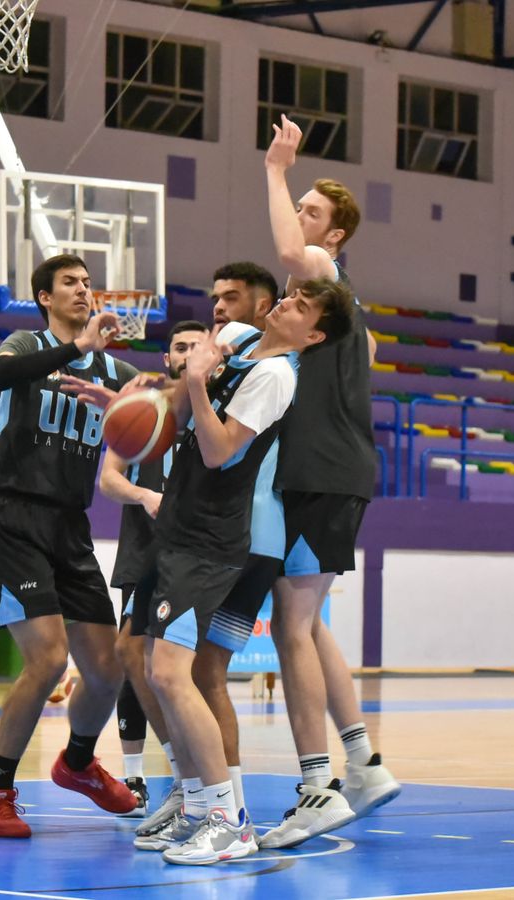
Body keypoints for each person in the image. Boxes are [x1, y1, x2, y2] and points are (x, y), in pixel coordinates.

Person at [135, 279, 355, 866]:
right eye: (291, 295)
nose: (287, 303)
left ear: (313, 335)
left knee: (172, 674)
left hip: (214, 534)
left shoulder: (278, 375)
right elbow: (180, 413)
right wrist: (119, 404)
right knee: (175, 674)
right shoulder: (241, 344)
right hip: (190, 525)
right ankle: (209, 806)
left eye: (302, 307)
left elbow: (218, 449)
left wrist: (196, 382)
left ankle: (225, 818)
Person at [259, 115, 400, 850]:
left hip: (324, 473)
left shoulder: (319, 268)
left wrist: (276, 170)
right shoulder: (334, 308)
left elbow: (288, 248)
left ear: (335, 237)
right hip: (334, 471)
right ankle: (364, 762)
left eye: (316, 213)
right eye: (302, 204)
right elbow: (368, 346)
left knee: (292, 626)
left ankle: (318, 785)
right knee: (308, 624)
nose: (303, 223)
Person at [0, 255, 141, 838]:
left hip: (71, 525)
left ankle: (77, 763)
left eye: (88, 284)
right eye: (70, 283)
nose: (82, 290)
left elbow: (159, 413)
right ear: (44, 296)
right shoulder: (26, 343)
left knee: (109, 669)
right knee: (46, 659)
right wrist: (74, 349)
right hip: (14, 517)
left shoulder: (113, 372)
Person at [98, 319, 210, 822]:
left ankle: (209, 791)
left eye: (196, 345)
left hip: (198, 553)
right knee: (132, 656)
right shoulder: (144, 408)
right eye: (178, 347)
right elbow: (108, 480)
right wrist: (144, 495)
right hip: (144, 553)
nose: (186, 352)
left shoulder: (216, 406)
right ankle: (149, 774)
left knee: (191, 672)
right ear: (167, 358)